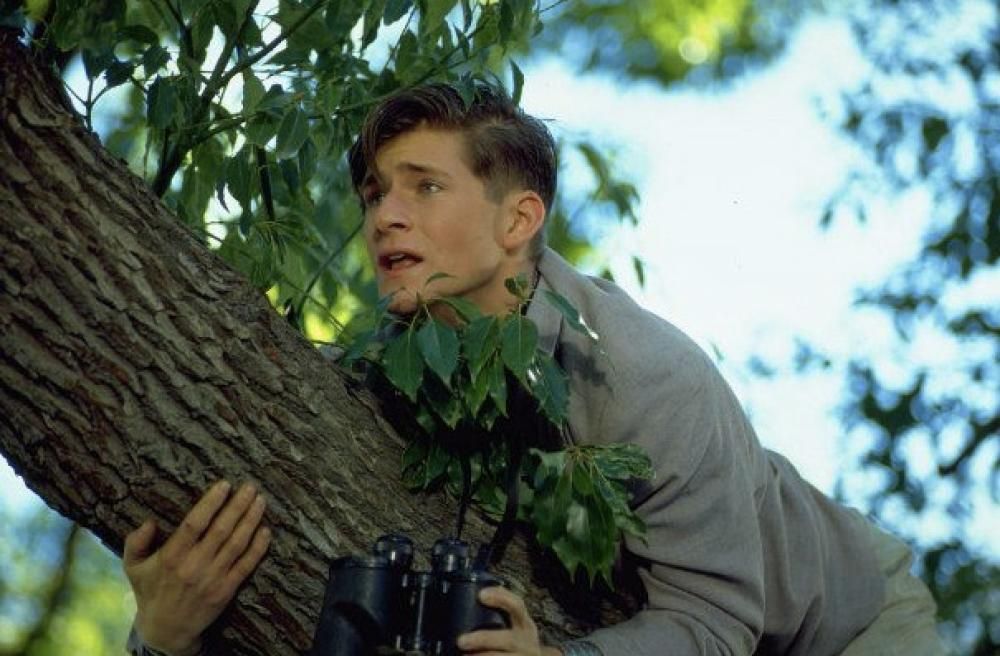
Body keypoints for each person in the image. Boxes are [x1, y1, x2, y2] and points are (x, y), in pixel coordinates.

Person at [124, 82, 948, 656]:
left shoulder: (645, 375)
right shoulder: (374, 375)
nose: (384, 216)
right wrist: (160, 640)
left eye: (424, 187)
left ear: (518, 220)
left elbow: (716, 620)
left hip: (839, 629)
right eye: (374, 194)